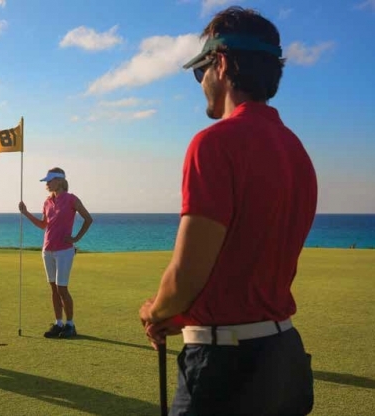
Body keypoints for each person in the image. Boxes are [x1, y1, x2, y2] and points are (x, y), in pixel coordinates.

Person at [138, 7, 317, 415]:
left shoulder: (214, 144)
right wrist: (184, 315)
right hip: (284, 357)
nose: (200, 83)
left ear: (219, 64)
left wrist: (157, 310)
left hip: (225, 370)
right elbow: (242, 269)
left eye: (199, 71)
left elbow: (185, 275)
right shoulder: (296, 151)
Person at [19, 167, 93, 339]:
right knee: (53, 288)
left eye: (50, 180)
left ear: (59, 181)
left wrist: (76, 238)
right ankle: (58, 323)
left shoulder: (71, 199)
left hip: (64, 251)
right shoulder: (47, 202)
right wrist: (25, 213)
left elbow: (88, 219)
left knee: (62, 288)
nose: (47, 183)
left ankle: (70, 324)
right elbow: (43, 225)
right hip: (47, 250)